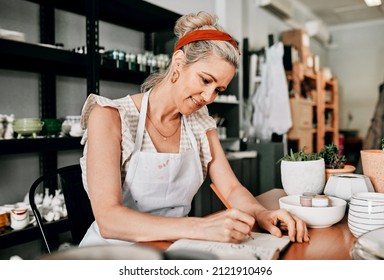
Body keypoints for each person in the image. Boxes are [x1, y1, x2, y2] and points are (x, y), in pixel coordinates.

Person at [79, 11, 309, 247]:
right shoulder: (110, 117)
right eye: (205, 80)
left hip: (175, 245)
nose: (209, 97)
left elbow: (230, 188)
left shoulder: (199, 122)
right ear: (179, 62)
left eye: (218, 89)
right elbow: (109, 220)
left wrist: (262, 214)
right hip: (114, 253)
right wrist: (201, 227)